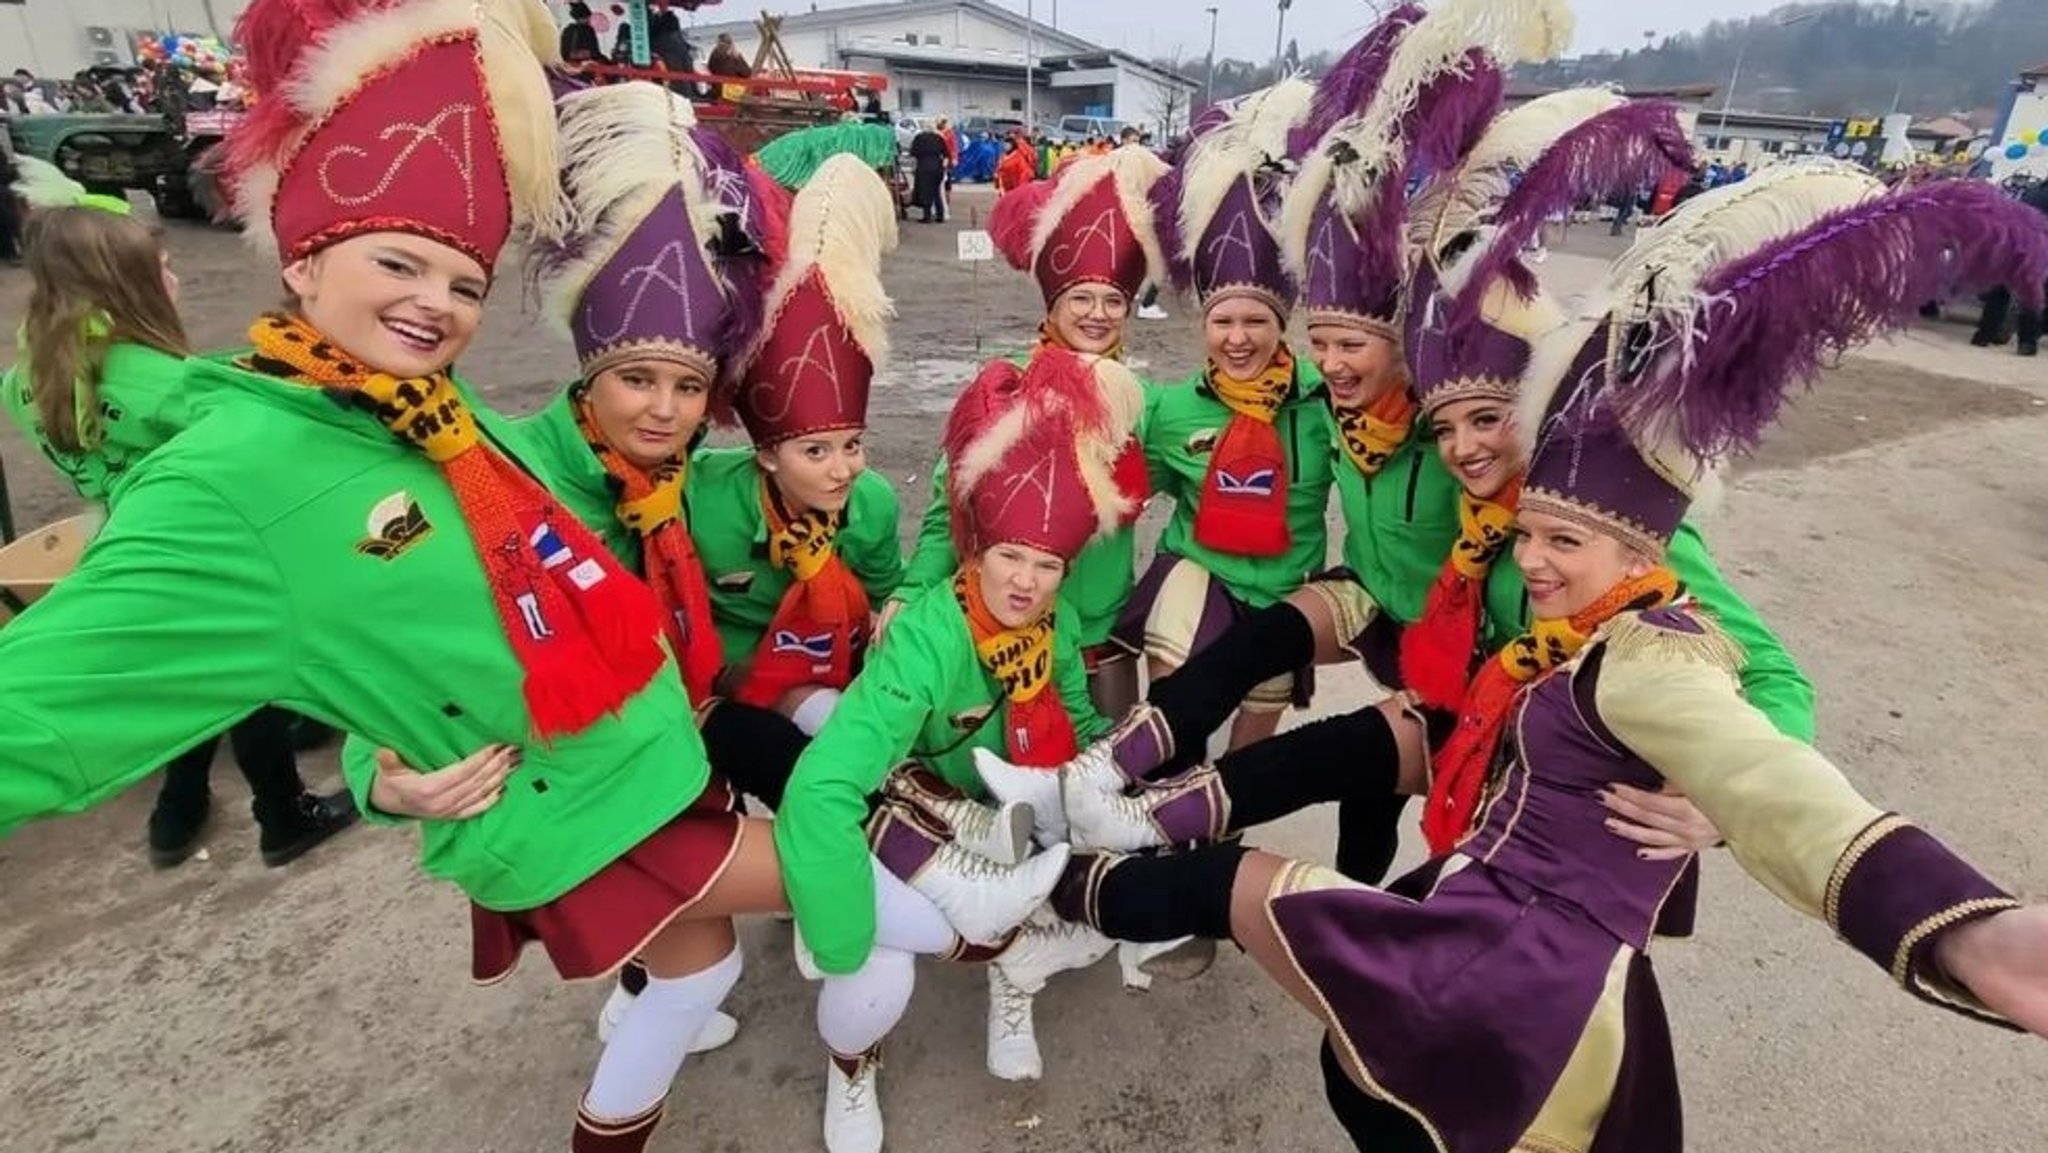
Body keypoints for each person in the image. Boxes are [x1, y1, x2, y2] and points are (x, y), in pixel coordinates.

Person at [0, 8, 1057, 1153]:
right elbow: (139, 683)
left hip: (661, 753)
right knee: (865, 883)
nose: (435, 304)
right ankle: (973, 923)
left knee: (694, 984)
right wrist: (379, 771)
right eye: (397, 264)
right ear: (302, 262)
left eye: (460, 281)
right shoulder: (272, 469)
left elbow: (421, 618)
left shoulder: (448, 428)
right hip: (593, 795)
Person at [1031, 169, 2048, 1153]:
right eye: (1325, 344)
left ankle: (1079, 873)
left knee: (1382, 973)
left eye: (1488, 422)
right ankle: (1111, 802)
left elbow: (1771, 739)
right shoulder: (1403, 452)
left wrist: (1727, 817)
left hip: (1530, 766)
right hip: (1466, 690)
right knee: (1323, 769)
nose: (1467, 446)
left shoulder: (1615, 545)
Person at [775, 345, 1157, 1150]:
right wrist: (834, 921)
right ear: (974, 550)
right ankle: (853, 1070)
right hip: (909, 799)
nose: (1024, 581)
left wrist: (1118, 785)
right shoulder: (926, 639)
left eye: (1046, 563)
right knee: (875, 972)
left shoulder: (1054, 623)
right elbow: (828, 785)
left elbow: (1080, 717)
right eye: (1008, 556)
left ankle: (1011, 975)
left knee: (1098, 871)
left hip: (1005, 804)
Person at [2, 157, 358, 868]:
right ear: (123, 285)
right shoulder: (164, 383)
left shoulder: (28, 370)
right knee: (244, 680)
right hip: (209, 547)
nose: (175, 278)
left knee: (189, 668)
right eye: (160, 268)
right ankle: (281, 811)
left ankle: (180, 804)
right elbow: (273, 419)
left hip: (124, 532)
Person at [896, 146, 1171, 718]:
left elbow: (1199, 470)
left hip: (1101, 628)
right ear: (1052, 305)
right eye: (1081, 299)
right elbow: (952, 503)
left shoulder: (1145, 403)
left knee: (1107, 774)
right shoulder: (1003, 390)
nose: (1097, 313)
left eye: (1113, 300)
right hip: (1007, 619)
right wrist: (911, 591)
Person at [1116, 79, 1336, 753]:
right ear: (1202, 326)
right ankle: (1161, 804)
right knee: (1177, 701)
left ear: (1282, 325)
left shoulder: (1326, 404)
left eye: (1254, 321)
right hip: (1199, 568)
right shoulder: (1171, 408)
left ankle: (1220, 829)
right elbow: (1119, 495)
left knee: (1252, 740)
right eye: (1222, 321)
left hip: (1282, 588)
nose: (1237, 337)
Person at [1971, 176, 2048, 357]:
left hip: (2014, 243)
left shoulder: (2032, 192)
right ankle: (2027, 343)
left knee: (1999, 292)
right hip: (2037, 247)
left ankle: (1983, 335)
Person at [909, 122, 947, 223]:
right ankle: (940, 215)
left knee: (925, 191)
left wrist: (914, 167)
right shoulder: (939, 138)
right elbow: (945, 154)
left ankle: (927, 216)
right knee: (936, 192)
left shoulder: (919, 138)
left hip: (924, 166)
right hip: (937, 167)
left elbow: (913, 154)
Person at [559, 1, 603, 66]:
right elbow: (594, 53)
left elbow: (595, 52)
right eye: (587, 18)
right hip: (580, 65)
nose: (589, 20)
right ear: (582, 17)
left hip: (579, 63)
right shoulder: (586, 30)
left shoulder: (568, 30)